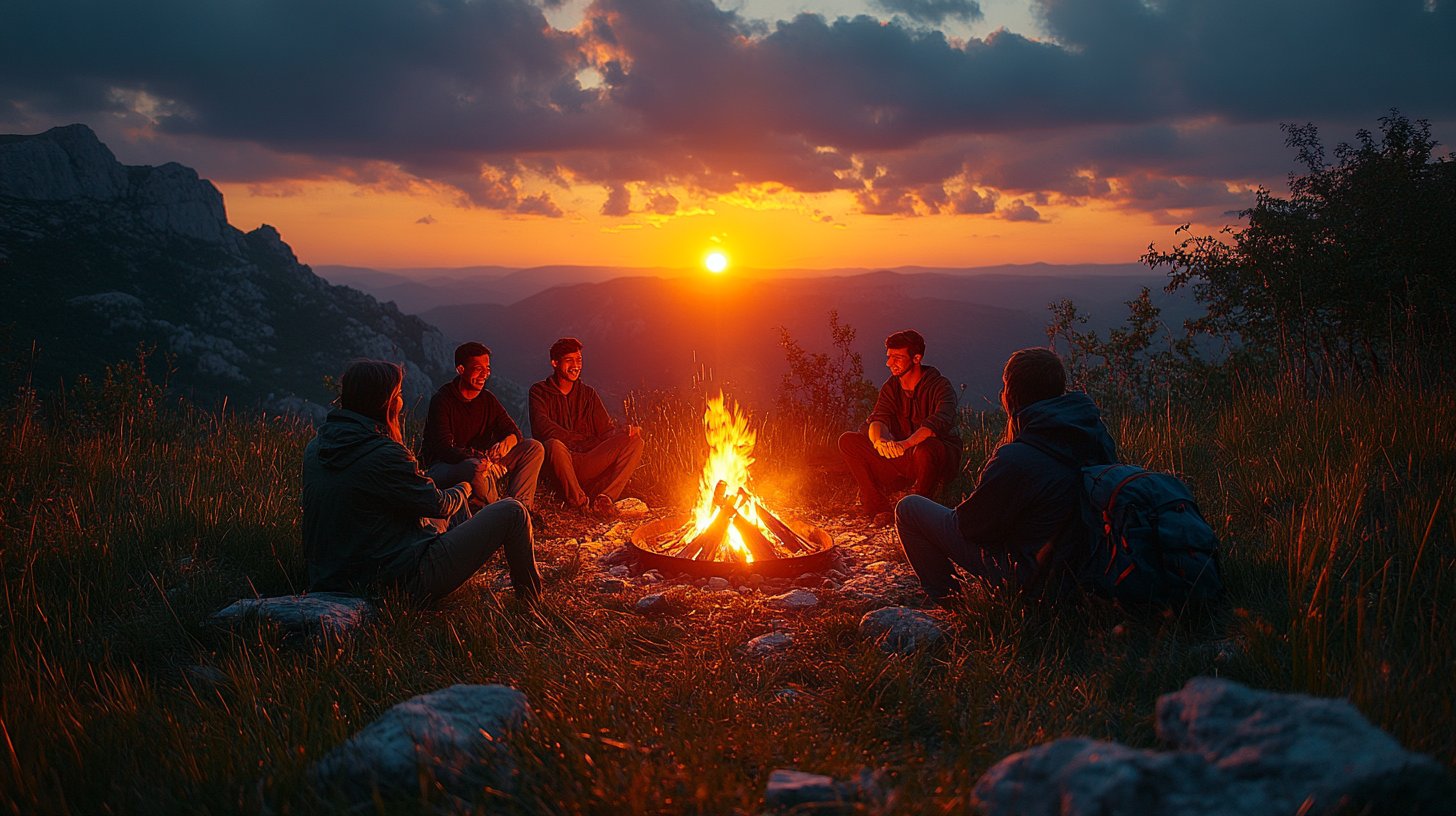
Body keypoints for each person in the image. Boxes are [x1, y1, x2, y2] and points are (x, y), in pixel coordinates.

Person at [302, 360, 541, 605]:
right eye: (399, 395)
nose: (401, 402)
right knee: (513, 511)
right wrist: (465, 487)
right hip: (396, 583)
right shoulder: (384, 453)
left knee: (445, 507)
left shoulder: (315, 449)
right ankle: (531, 605)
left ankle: (467, 552)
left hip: (332, 578)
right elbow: (440, 505)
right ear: (385, 402)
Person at [895, 347, 1117, 603]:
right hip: (1086, 576)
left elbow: (971, 528)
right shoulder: (1095, 437)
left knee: (909, 508)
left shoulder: (1018, 457)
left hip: (1033, 585)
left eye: (1004, 387)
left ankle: (948, 602)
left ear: (1010, 395)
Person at [839, 329, 962, 526]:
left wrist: (904, 444)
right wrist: (879, 441)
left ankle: (917, 509)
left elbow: (935, 425)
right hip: (903, 456)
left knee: (926, 447)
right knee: (848, 441)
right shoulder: (892, 387)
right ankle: (878, 506)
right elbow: (877, 419)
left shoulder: (940, 387)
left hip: (933, 460)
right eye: (889, 357)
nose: (889, 363)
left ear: (916, 358)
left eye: (897, 358)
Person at [419, 342, 544, 516]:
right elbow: (444, 449)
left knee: (534, 447)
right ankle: (494, 515)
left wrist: (507, 442)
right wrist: (478, 457)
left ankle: (519, 509)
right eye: (478, 368)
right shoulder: (443, 401)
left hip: (484, 463)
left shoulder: (487, 400)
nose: (484, 374)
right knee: (475, 467)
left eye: (487, 368)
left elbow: (514, 432)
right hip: (446, 466)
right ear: (461, 370)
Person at [528, 337, 644, 518]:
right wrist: (579, 440)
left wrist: (623, 431)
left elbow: (605, 431)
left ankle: (605, 499)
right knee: (553, 445)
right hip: (561, 462)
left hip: (589, 459)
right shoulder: (539, 392)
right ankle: (579, 503)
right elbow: (542, 427)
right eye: (569, 360)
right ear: (555, 363)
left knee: (635, 442)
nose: (576, 365)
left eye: (579, 360)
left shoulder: (588, 395)